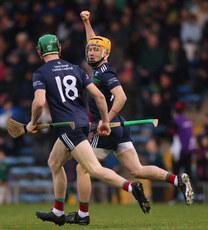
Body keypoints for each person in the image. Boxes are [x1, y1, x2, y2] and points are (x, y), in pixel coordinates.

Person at [65, 11, 194, 226]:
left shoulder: (104, 72)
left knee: (82, 168)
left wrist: (106, 120)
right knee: (137, 169)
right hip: (120, 127)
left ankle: (83, 215)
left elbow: (121, 96)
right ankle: (177, 179)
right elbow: (93, 41)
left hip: (108, 126)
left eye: (97, 50)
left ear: (106, 54)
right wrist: (87, 22)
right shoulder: (98, 66)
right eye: (91, 50)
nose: (92, 52)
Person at [26, 34, 150, 226]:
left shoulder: (40, 73)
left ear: (39, 52)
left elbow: (40, 102)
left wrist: (32, 122)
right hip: (83, 124)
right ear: (59, 49)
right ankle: (58, 211)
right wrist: (106, 121)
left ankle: (131, 187)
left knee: (93, 169)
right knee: (54, 162)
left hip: (68, 128)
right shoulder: (77, 69)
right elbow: (100, 98)